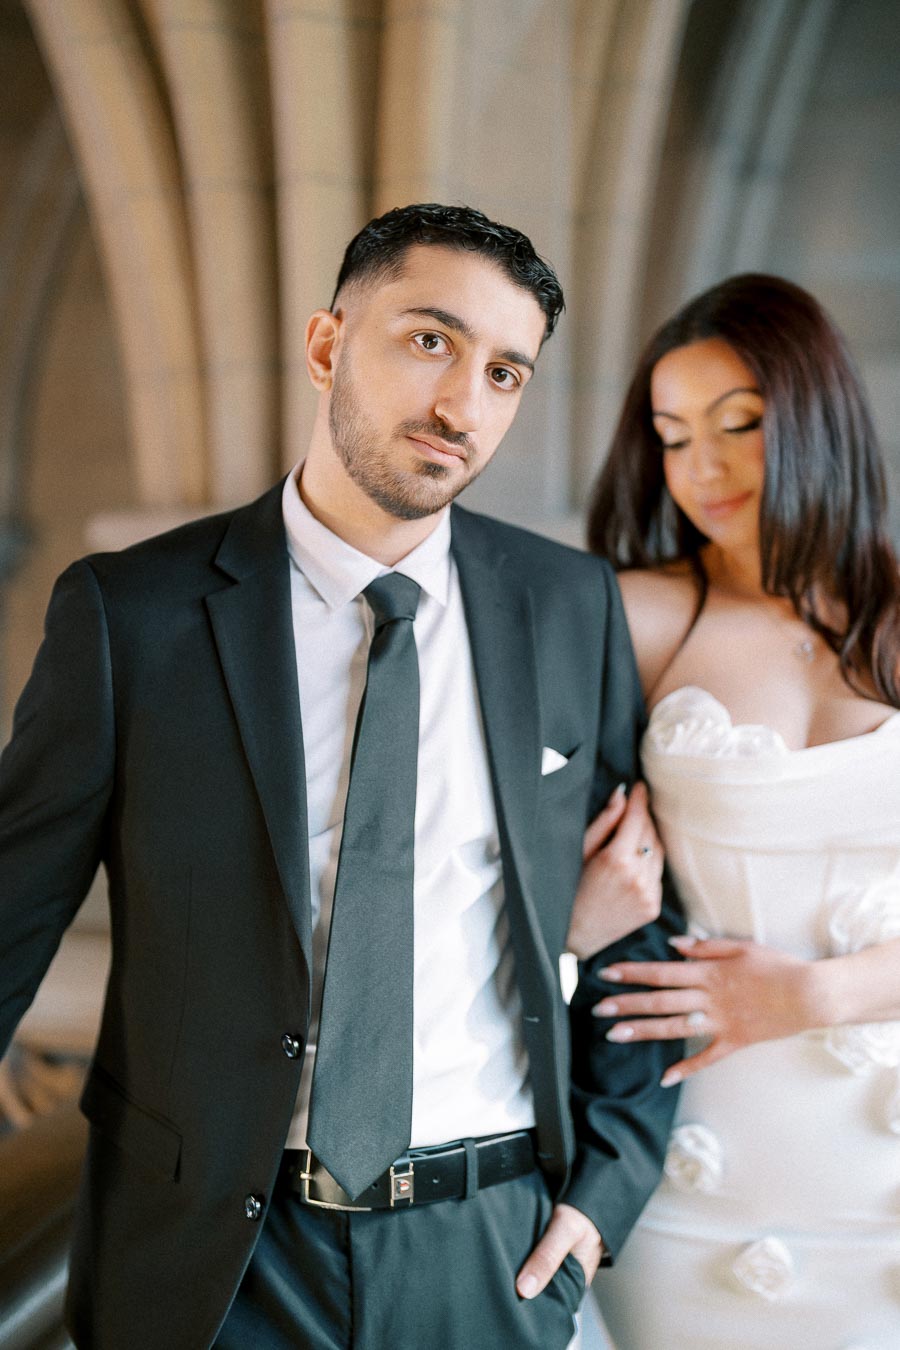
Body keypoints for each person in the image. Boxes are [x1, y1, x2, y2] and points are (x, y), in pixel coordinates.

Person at [0, 203, 683, 1350]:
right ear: (327, 346)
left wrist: (602, 1198)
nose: (463, 406)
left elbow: (641, 936)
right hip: (218, 1269)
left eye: (506, 373)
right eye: (431, 342)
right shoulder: (135, 616)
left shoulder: (569, 608)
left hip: (492, 1250)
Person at [575, 273, 900, 1347]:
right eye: (672, 436)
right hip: (703, 1141)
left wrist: (814, 994)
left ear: (816, 415)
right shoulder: (640, 616)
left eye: (739, 425)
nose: (700, 468)